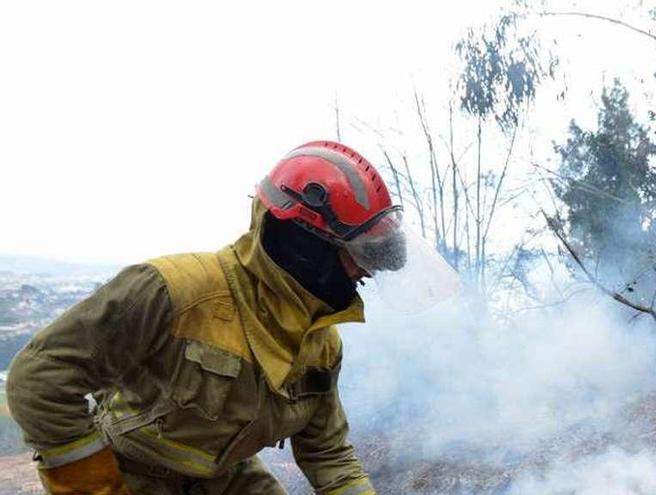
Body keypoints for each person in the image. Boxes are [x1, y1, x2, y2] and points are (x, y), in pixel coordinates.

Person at [6, 140, 407, 495]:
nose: (364, 273)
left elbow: (328, 452)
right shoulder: (172, 291)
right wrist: (94, 486)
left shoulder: (320, 343)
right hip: (128, 473)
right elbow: (40, 379)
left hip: (226, 478)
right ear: (305, 244)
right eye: (355, 257)